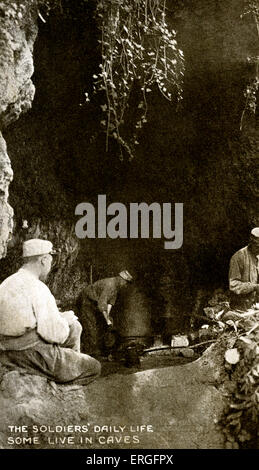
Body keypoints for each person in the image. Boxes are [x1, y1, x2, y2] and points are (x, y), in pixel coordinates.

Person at [0, 239, 101, 385]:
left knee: (75, 328)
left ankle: (64, 369)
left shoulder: (7, 283)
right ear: (44, 260)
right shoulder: (38, 287)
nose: (49, 265)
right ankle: (61, 394)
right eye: (50, 261)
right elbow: (54, 334)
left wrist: (61, 320)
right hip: (29, 353)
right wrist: (64, 321)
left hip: (5, 348)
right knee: (93, 367)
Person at [76, 270, 133, 357]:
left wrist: (108, 319)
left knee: (105, 323)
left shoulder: (116, 288)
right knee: (90, 326)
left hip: (95, 302)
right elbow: (102, 304)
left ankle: (101, 350)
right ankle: (91, 353)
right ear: (121, 279)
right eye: (126, 283)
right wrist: (106, 319)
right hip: (86, 300)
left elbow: (110, 303)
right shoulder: (110, 284)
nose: (125, 285)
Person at [229, 227, 259, 310]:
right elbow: (233, 285)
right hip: (241, 308)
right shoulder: (239, 257)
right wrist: (254, 287)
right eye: (257, 246)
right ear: (251, 242)